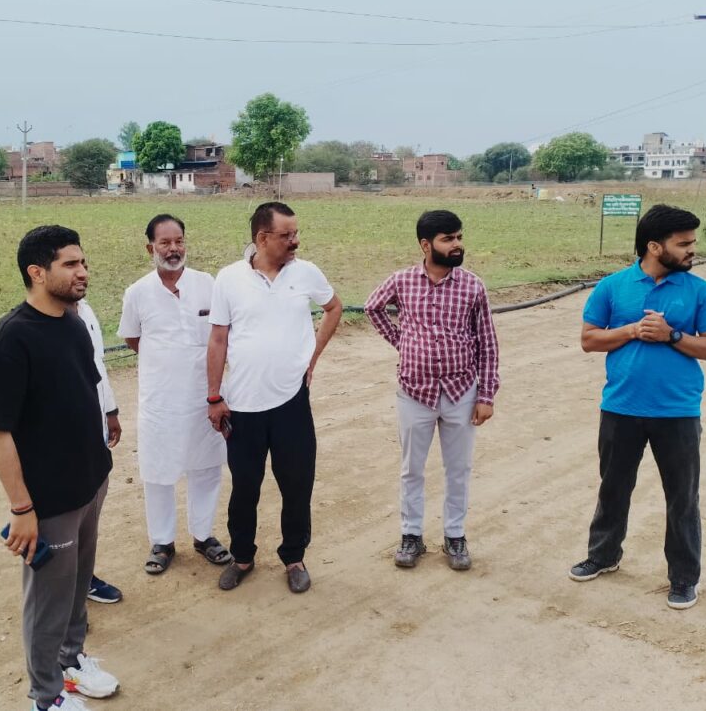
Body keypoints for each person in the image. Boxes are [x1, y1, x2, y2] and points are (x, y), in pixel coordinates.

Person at [0, 225, 119, 711]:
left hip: (90, 483)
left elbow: (85, 394)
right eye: (70, 264)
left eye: (83, 262)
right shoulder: (11, 339)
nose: (83, 271)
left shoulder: (74, 324)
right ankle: (46, 697)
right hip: (49, 501)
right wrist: (22, 508)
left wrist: (100, 467)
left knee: (78, 585)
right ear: (37, 272)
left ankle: (70, 661)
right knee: (48, 601)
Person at [569, 204, 706, 610]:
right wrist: (632, 330)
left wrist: (672, 335)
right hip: (620, 408)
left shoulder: (700, 291)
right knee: (613, 488)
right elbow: (589, 339)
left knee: (682, 498)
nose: (692, 250)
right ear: (655, 247)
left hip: (678, 413)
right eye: (684, 244)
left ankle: (684, 578)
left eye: (692, 242)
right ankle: (603, 555)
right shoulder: (613, 287)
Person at [207, 202, 342, 594]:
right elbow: (218, 338)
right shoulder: (229, 278)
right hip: (242, 405)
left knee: (297, 483)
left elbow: (333, 307)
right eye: (287, 235)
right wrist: (214, 397)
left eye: (296, 233)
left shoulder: (306, 272)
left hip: (291, 402)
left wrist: (312, 356)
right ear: (262, 238)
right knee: (245, 487)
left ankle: (294, 557)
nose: (295, 241)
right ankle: (242, 557)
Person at [364, 209, 500, 572]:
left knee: (459, 468)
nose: (457, 245)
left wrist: (486, 395)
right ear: (426, 245)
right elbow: (373, 307)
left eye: (459, 237)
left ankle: (455, 536)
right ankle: (411, 535)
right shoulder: (402, 280)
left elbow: (487, 343)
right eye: (448, 239)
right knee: (412, 469)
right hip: (415, 392)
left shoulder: (473, 286)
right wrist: (402, 342)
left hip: (461, 391)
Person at [118, 214, 232, 575]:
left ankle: (203, 536)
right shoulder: (137, 292)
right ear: (150, 247)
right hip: (161, 400)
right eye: (165, 243)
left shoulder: (207, 284)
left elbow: (220, 335)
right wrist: (167, 360)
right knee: (158, 470)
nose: (173, 249)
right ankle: (162, 542)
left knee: (206, 466)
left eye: (179, 241)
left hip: (204, 395)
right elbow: (132, 338)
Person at [75, 297, 124, 605]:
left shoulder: (86, 309)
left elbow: (98, 366)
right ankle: (64, 599)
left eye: (83, 270)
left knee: (90, 513)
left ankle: (83, 580)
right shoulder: (36, 324)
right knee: (63, 522)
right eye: (71, 271)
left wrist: (110, 410)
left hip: (96, 429)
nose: (82, 274)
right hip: (65, 440)